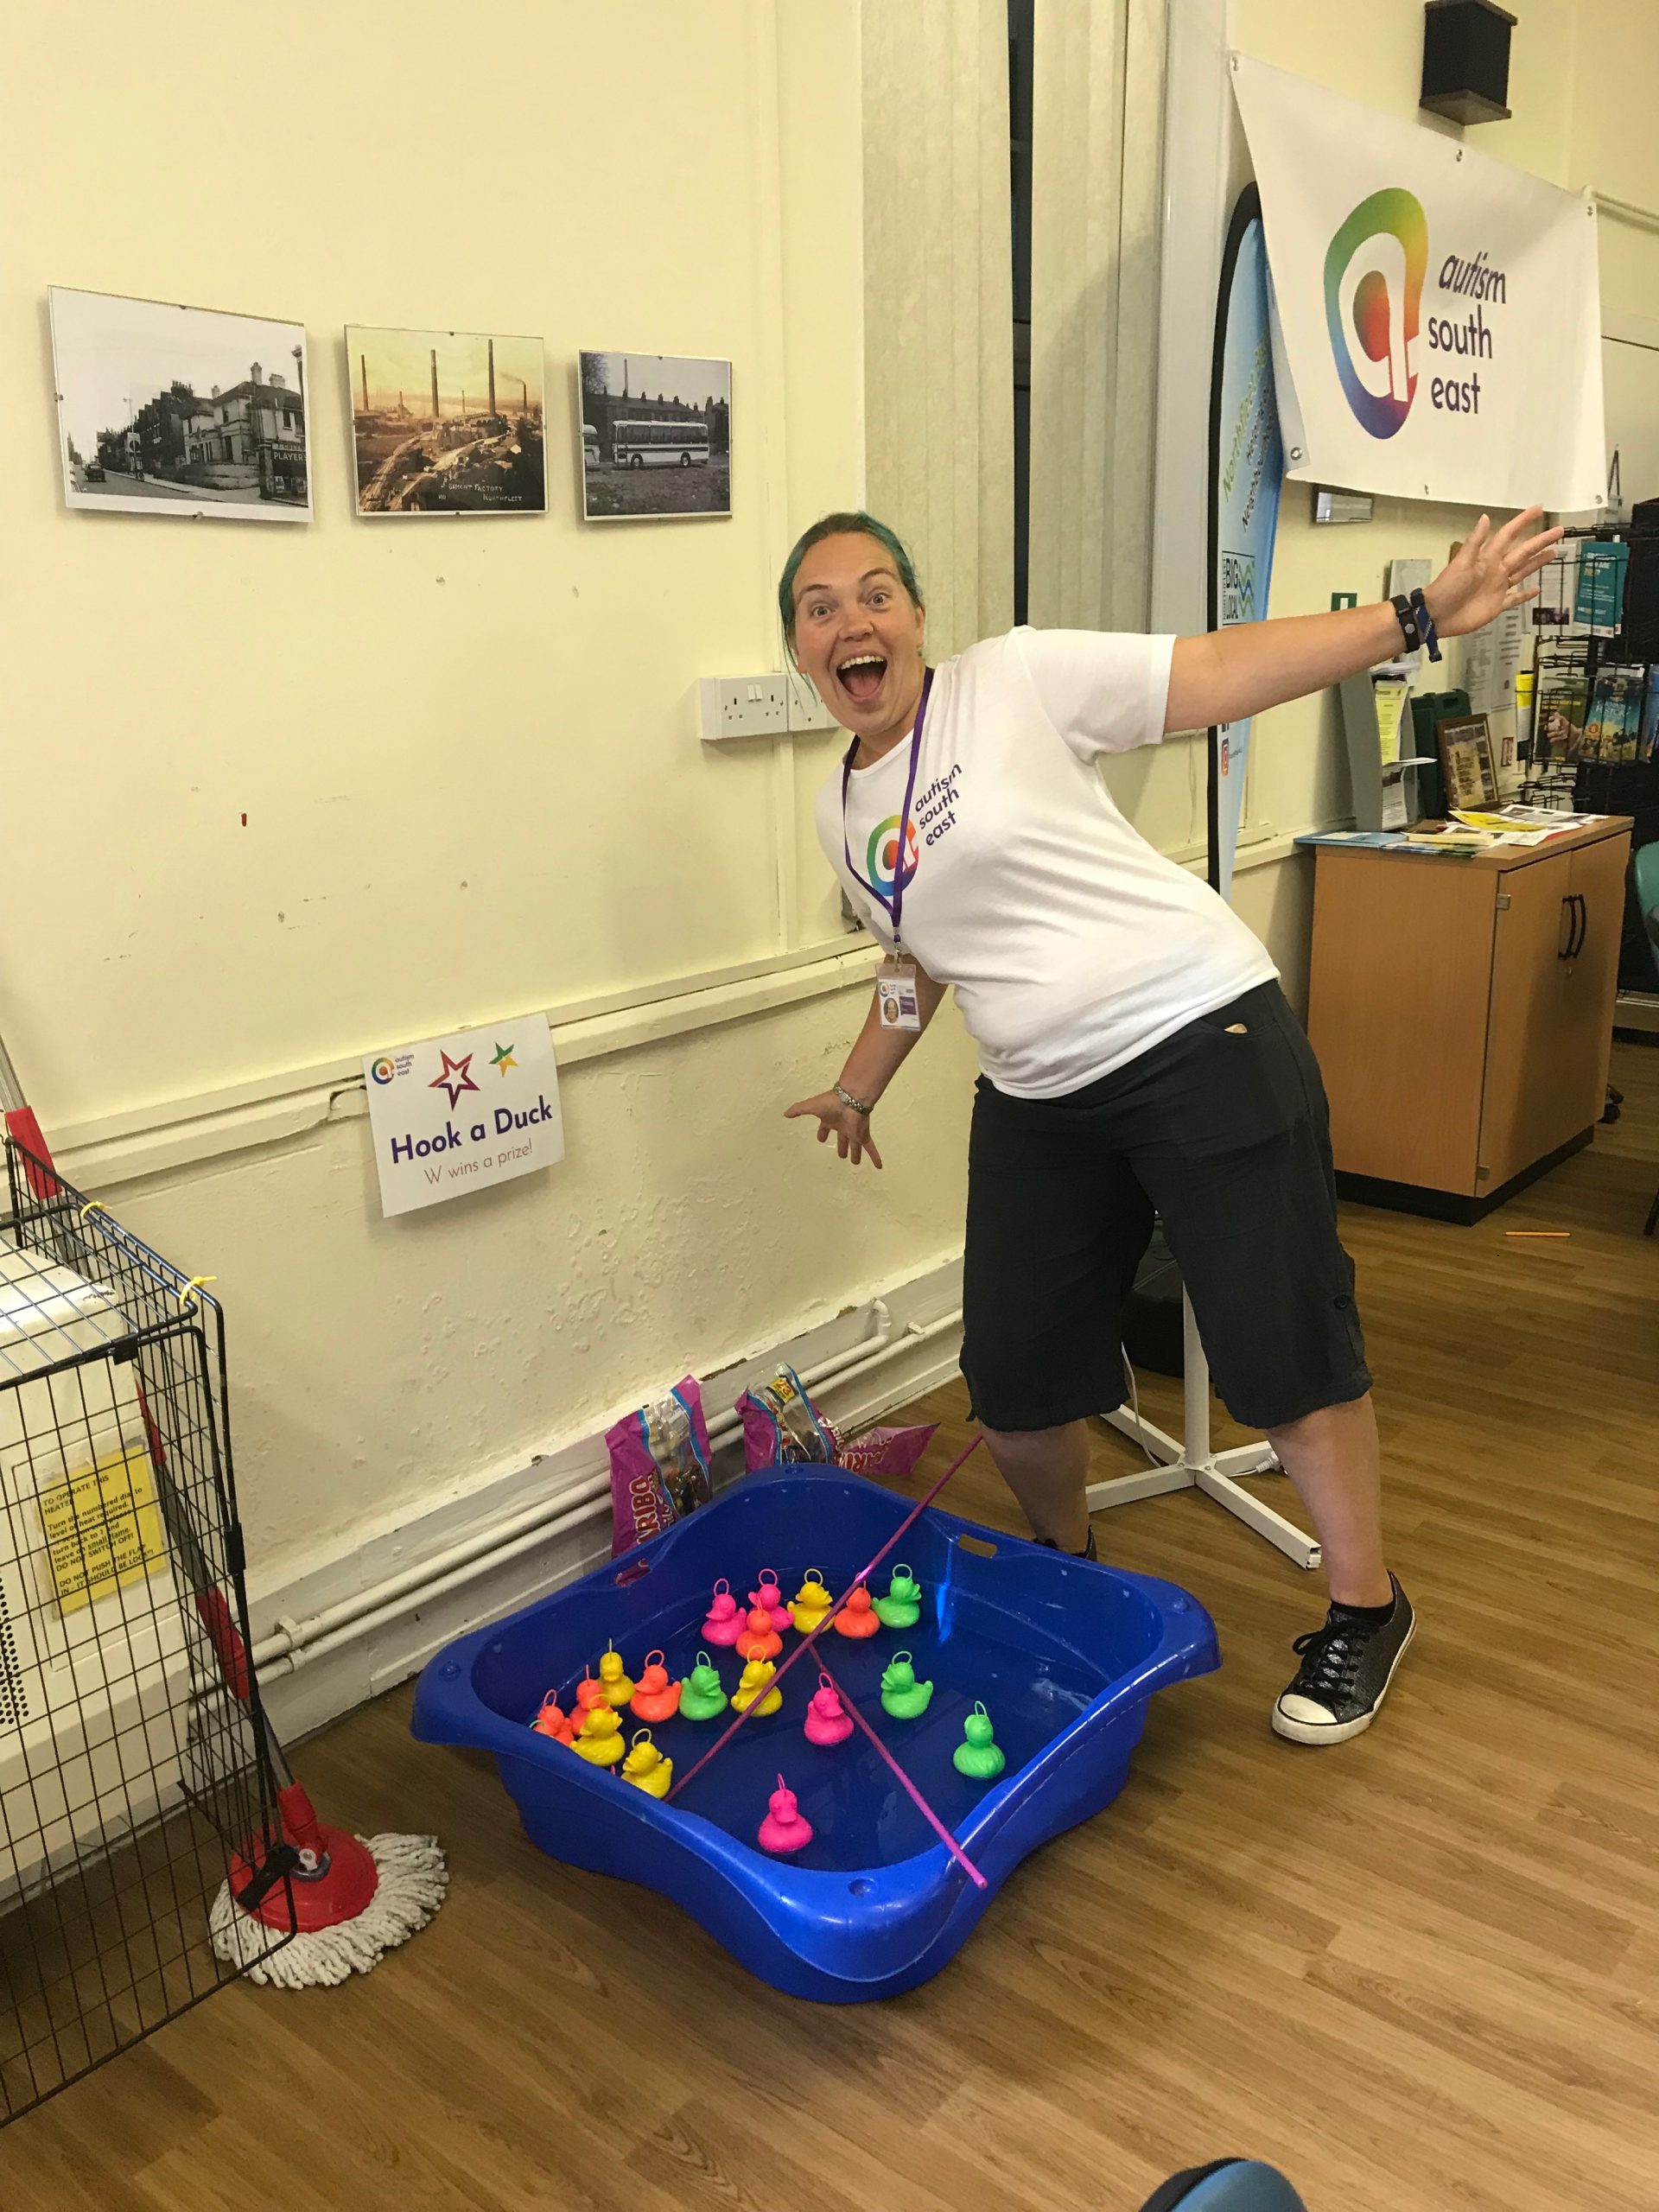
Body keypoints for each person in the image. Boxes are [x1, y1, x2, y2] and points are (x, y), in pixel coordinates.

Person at [780, 506, 1560, 1745]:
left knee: (1281, 1350)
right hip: (1037, 1095)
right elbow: (916, 954)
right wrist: (859, 1083)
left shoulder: (1016, 681)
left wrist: (1416, 618)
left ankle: (1366, 1607)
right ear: (800, 652)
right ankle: (1075, 1577)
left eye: (876, 593)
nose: (851, 622)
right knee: (1018, 1388)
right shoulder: (838, 809)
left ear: (918, 617)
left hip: (1200, 1036)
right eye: (819, 608)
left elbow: (1215, 673)